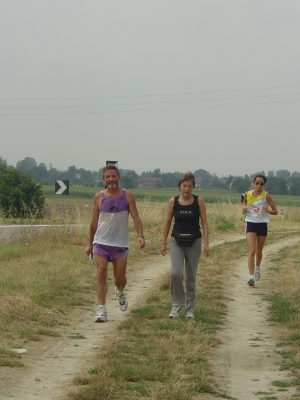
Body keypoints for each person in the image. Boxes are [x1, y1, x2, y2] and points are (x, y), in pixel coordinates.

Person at [85, 164, 145, 322]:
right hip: (101, 242)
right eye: (107, 177)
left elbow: (136, 218)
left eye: (113, 176)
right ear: (103, 179)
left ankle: (120, 291)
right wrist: (90, 244)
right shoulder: (98, 197)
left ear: (119, 177)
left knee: (119, 278)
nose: (111, 179)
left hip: (120, 243)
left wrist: (140, 235)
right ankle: (101, 310)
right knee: (101, 272)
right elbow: (93, 222)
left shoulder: (128, 196)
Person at [160, 171, 209, 319]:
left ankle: (189, 309)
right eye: (184, 186)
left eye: (189, 186)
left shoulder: (198, 201)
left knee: (190, 276)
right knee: (176, 273)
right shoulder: (172, 202)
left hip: (194, 240)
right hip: (177, 241)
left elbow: (205, 223)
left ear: (193, 187)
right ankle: (176, 305)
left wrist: (206, 243)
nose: (187, 189)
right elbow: (167, 223)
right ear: (179, 186)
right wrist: (163, 243)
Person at [241, 174, 278, 287]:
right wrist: (244, 208)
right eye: (257, 183)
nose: (258, 185)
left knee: (258, 251)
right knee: (252, 250)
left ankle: (257, 267)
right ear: (254, 183)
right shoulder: (247, 194)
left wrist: (267, 211)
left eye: (261, 184)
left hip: (262, 224)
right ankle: (251, 276)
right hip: (251, 223)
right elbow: (244, 204)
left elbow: (275, 211)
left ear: (264, 185)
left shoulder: (266, 196)